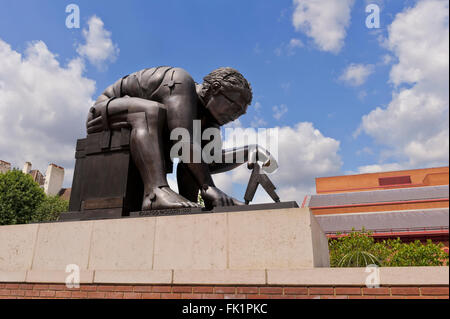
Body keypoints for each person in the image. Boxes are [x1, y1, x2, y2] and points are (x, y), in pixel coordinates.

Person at [86, 66, 276, 210]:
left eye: (240, 114)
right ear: (216, 89)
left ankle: (188, 202)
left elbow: (207, 161)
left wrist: (248, 152)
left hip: (139, 125)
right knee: (151, 111)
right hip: (103, 113)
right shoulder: (181, 82)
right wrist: (209, 187)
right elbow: (183, 139)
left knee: (195, 155)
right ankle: (154, 193)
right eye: (234, 107)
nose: (235, 116)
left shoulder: (209, 118)